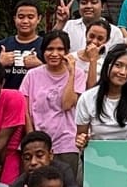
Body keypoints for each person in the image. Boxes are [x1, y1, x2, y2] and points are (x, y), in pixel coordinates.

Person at [19, 31, 86, 175]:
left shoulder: (78, 74)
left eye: (60, 49)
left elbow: (67, 104)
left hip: (66, 143)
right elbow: (25, 111)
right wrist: (32, 138)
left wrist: (72, 72)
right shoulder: (32, 75)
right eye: (50, 49)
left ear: (67, 52)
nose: (54, 53)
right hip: (38, 143)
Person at [75, 44, 127, 148]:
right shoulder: (87, 98)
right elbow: (80, 135)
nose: (123, 72)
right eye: (118, 65)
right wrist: (82, 140)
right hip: (97, 156)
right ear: (107, 65)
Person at [5, 131, 84, 187]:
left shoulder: (63, 171)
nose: (33, 162)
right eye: (27, 158)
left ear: (50, 155)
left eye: (39, 155)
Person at [0, 0, 43, 92]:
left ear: (38, 19)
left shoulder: (46, 46)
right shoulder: (1, 46)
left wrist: (41, 66)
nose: (25, 21)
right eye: (21, 17)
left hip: (36, 100)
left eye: (30, 17)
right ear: (15, 18)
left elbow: (57, 74)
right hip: (5, 99)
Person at [54, 0, 123, 55]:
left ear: (103, 6)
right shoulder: (68, 25)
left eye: (94, 2)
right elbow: (50, 44)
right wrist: (61, 23)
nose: (88, 6)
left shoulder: (114, 32)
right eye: (84, 3)